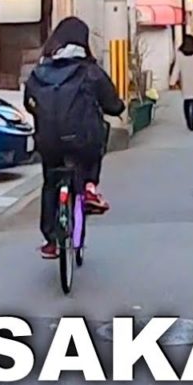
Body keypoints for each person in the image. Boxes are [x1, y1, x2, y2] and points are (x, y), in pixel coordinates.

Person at [25, 17, 125, 259]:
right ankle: (90, 186)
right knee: (97, 134)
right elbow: (113, 105)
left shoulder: (40, 71)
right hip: (82, 142)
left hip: (49, 142)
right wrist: (118, 108)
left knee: (51, 182)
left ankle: (50, 241)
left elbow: (29, 103)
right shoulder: (90, 71)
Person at [169, 34, 193, 132]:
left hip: (186, 81)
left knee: (187, 101)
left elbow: (176, 68)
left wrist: (172, 81)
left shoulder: (180, 54)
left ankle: (188, 121)